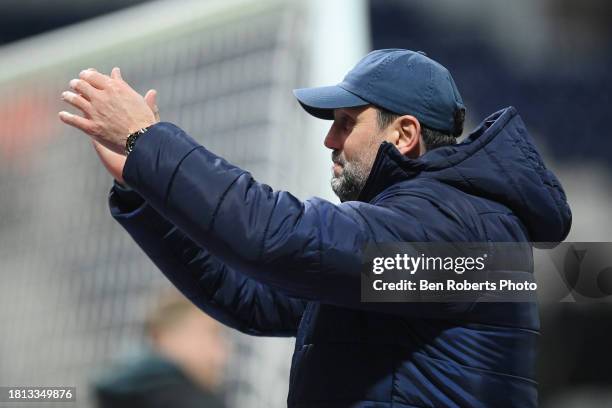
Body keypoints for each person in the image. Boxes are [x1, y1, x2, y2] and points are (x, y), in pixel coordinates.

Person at [59, 49, 572, 407]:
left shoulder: (458, 227)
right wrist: (140, 187)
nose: (330, 140)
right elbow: (252, 295)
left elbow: (280, 238)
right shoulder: (427, 226)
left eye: (347, 121)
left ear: (405, 133)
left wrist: (150, 143)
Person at [93, 290, 227, 408]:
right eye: (212, 335)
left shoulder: (116, 393)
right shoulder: (191, 400)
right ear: (162, 337)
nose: (221, 354)